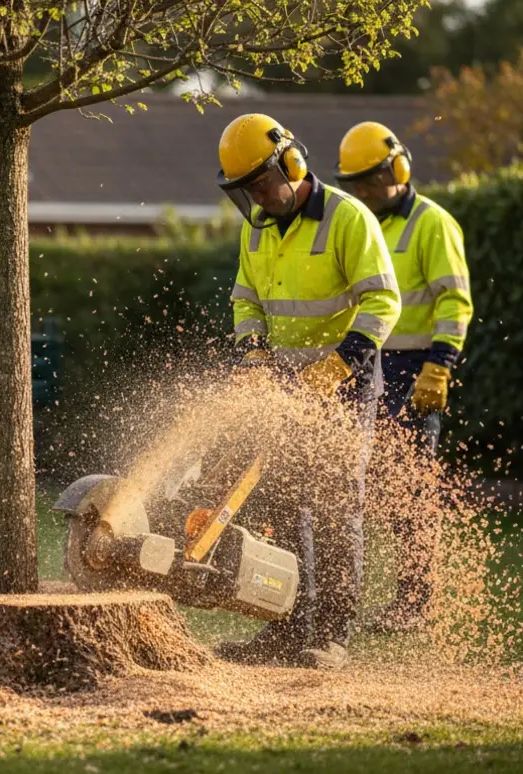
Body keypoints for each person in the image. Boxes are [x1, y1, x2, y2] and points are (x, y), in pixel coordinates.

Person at [214, 113, 401, 669]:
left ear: (291, 163)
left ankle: (333, 635)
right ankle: (285, 628)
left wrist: (340, 364)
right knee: (279, 501)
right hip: (282, 382)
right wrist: (253, 356)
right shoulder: (256, 228)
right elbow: (246, 300)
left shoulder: (348, 218)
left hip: (346, 382)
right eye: (246, 190)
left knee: (335, 504)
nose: (257, 197)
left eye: (261, 183)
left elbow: (384, 300)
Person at [335, 121, 474, 633]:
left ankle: (416, 601)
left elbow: (455, 300)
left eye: (371, 180)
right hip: (368, 363)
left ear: (398, 169)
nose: (365, 192)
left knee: (411, 486)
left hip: (416, 367)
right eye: (356, 184)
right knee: (363, 483)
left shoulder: (432, 223)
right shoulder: (360, 223)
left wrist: (441, 365)